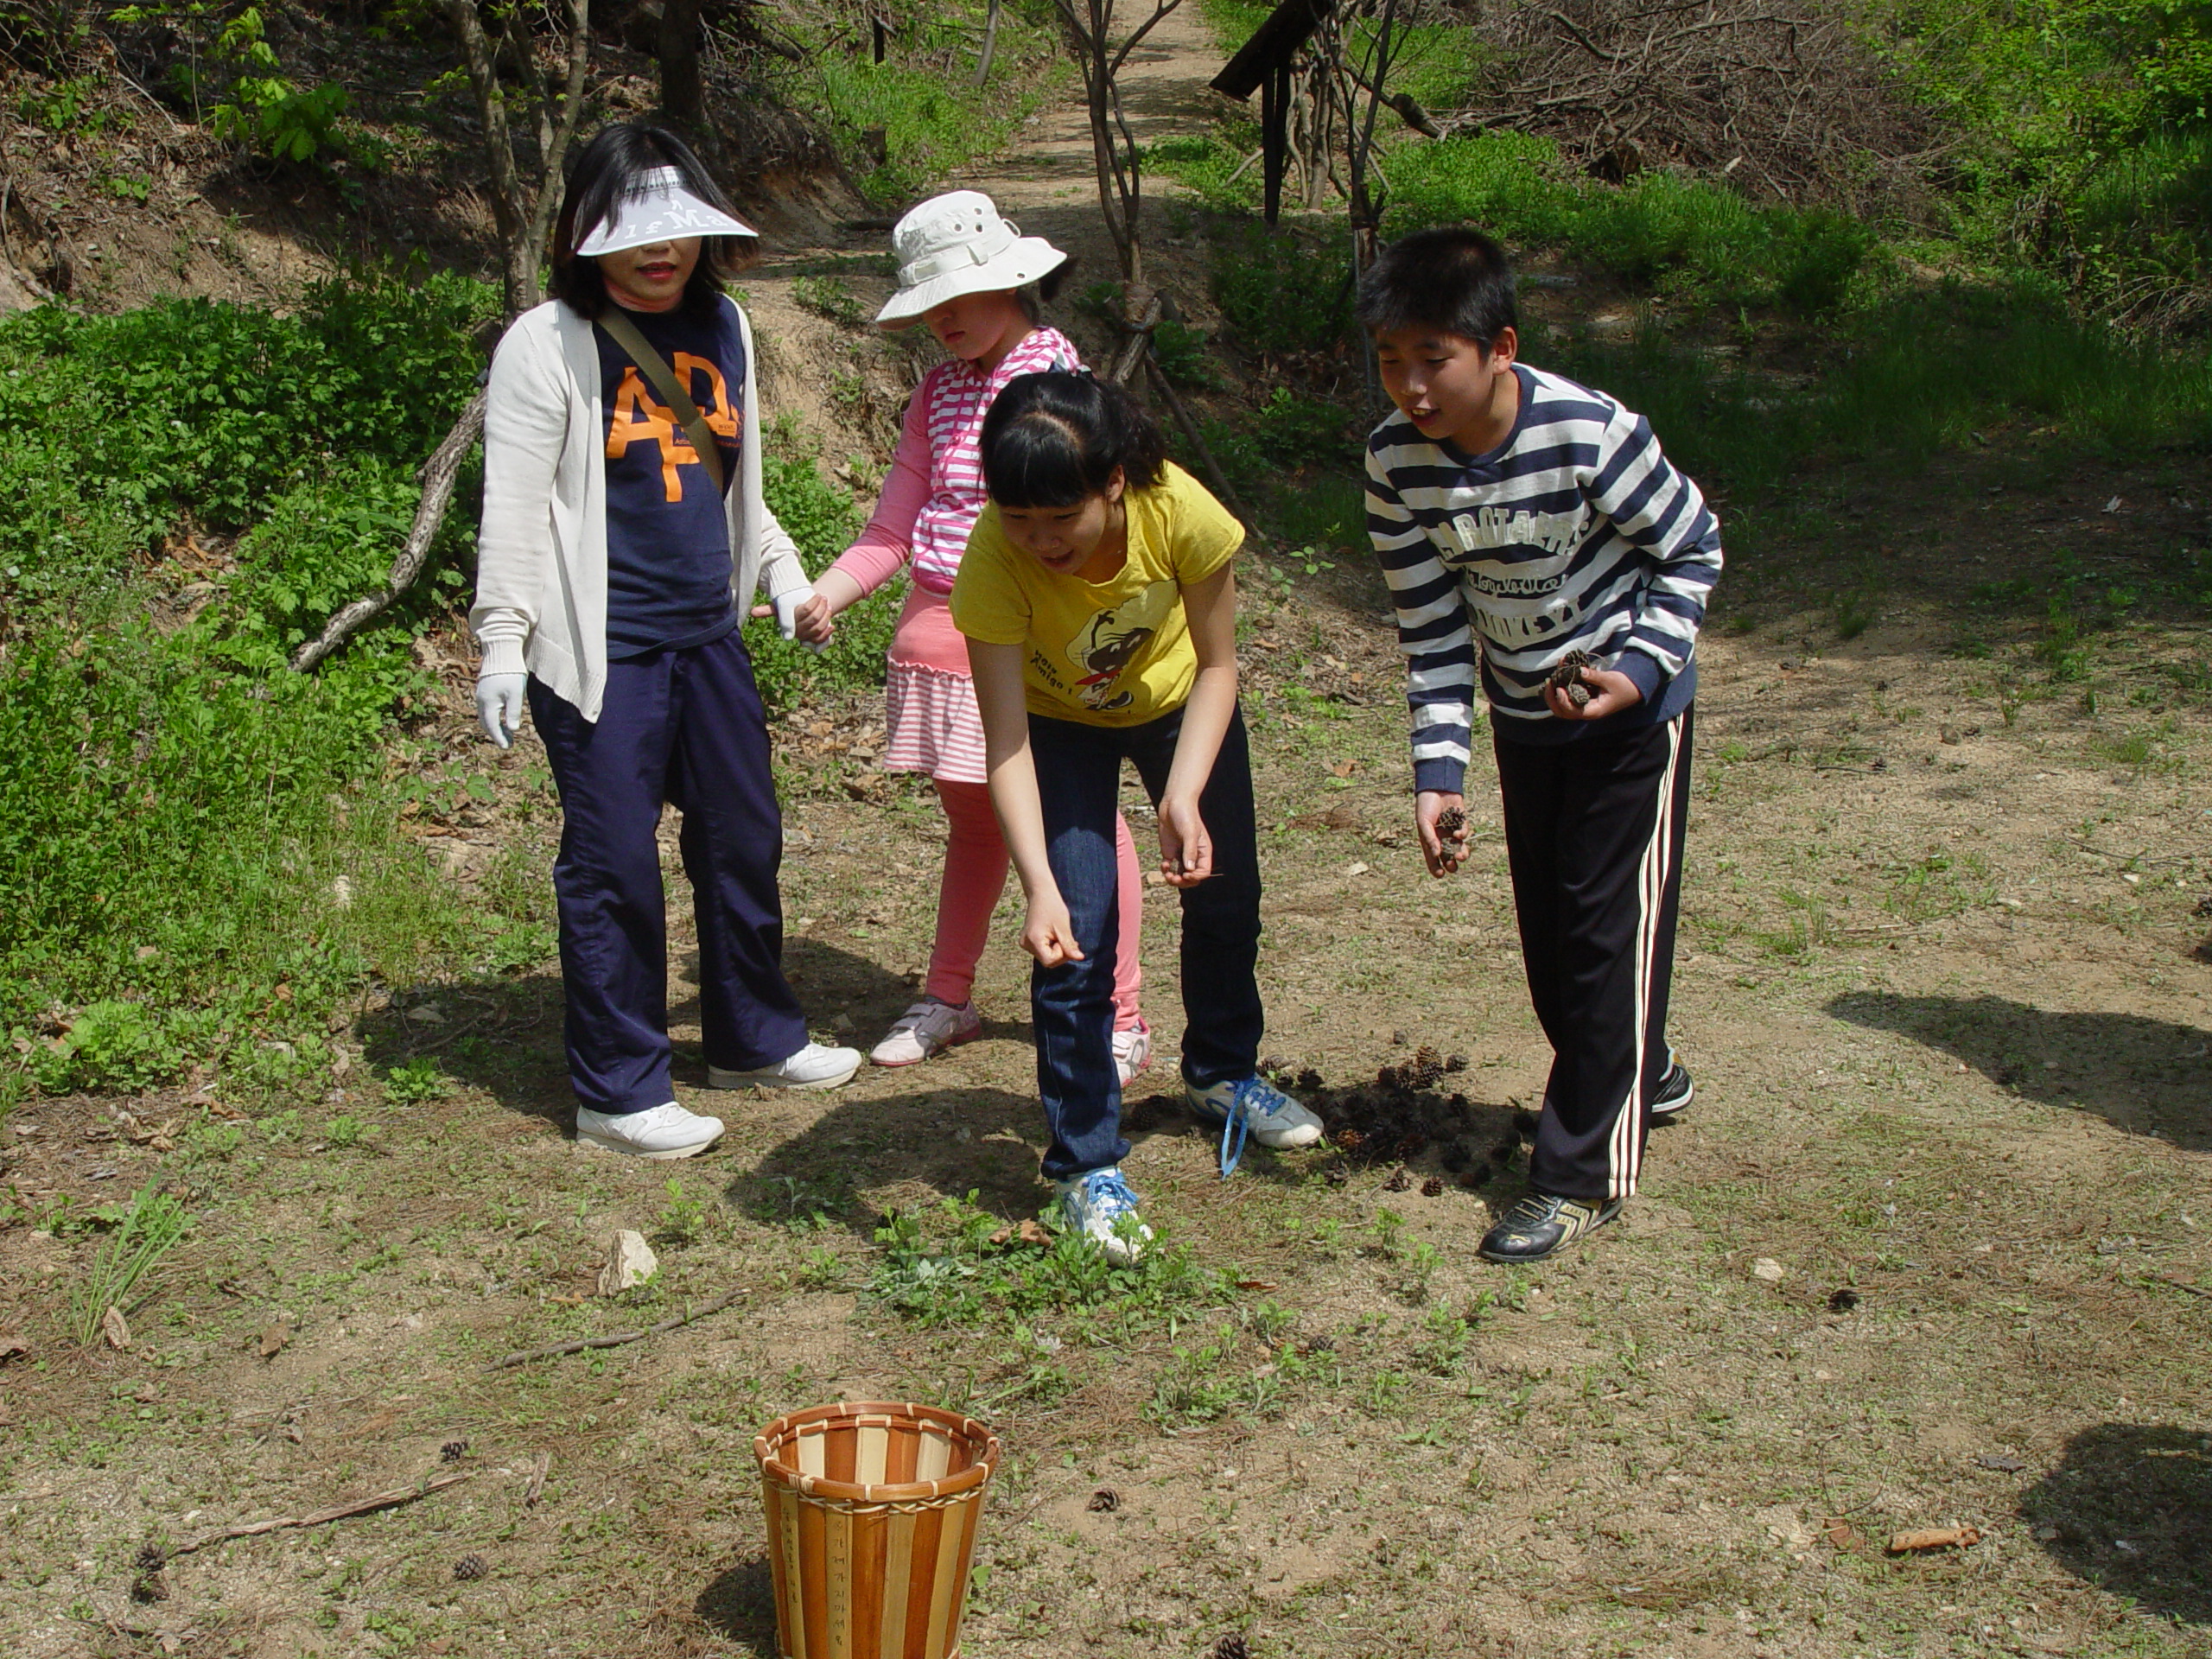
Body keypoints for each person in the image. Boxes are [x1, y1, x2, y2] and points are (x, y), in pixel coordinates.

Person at [470, 122, 861, 1161]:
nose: (660, 251)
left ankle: (754, 1038)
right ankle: (620, 1090)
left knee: (743, 837)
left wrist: (779, 576)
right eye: (633, 231)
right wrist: (503, 644)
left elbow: (738, 489)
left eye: (676, 230)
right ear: (584, 232)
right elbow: (511, 509)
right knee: (612, 869)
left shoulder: (725, 327)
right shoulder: (546, 342)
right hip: (606, 654)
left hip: (708, 639)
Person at [1360, 226, 1721, 1263]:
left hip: (1629, 720)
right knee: (1554, 947)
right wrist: (1437, 774)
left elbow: (1692, 546)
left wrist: (1640, 670)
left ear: (1498, 347)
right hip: (1525, 720)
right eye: (1390, 358)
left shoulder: (1591, 433)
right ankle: (1637, 1066)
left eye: (1434, 358)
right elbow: (1430, 628)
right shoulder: (1395, 465)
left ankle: (1577, 1176)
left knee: (1608, 938)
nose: (1411, 385)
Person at [950, 371, 1322, 1260]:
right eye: (1020, 520)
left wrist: (1181, 793)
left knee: (1226, 893)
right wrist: (1035, 883)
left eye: (1059, 520)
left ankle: (1222, 1073)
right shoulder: (995, 559)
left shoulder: (1180, 514)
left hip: (1175, 706)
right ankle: (1083, 1165)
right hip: (1053, 727)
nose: (1040, 541)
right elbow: (1003, 741)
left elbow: (1219, 665)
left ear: (1112, 481)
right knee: (1074, 931)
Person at [787, 192, 1154, 1077]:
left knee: (1084, 822)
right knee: (973, 822)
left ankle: (1120, 1008)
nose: (942, 319)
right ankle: (948, 996)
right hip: (936, 638)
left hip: (1026, 638)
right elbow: (893, 527)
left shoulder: (1050, 380)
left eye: (958, 295)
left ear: (1012, 283)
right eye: (927, 305)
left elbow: (1084, 530)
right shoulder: (939, 390)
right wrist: (828, 593)